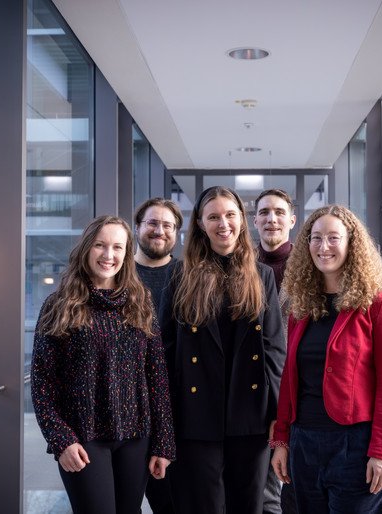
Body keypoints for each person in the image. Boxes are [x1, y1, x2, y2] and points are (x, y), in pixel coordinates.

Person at [31, 215, 176, 514]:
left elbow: (157, 376)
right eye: (100, 245)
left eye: (118, 247)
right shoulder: (58, 305)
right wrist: (61, 440)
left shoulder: (140, 301)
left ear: (127, 253)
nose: (109, 255)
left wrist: (163, 443)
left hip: (136, 437)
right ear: (86, 248)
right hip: (83, 438)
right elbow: (42, 382)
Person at [159, 186, 286, 514]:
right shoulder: (180, 275)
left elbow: (274, 349)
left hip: (251, 413)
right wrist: (166, 417)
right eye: (213, 216)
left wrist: (277, 414)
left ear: (242, 221)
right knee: (204, 505)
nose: (223, 223)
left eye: (230, 215)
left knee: (248, 505)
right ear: (201, 224)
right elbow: (166, 348)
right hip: (196, 414)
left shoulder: (262, 275)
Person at [270, 204, 382, 514]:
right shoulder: (302, 303)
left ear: (351, 243)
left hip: (355, 446)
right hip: (304, 443)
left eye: (333, 237)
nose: (323, 246)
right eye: (316, 238)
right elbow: (290, 377)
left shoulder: (378, 301)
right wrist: (282, 439)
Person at [133, 198, 183, 514]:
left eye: (167, 225)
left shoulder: (188, 276)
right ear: (137, 226)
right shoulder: (117, 272)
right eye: (152, 223)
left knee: (171, 502)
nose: (159, 230)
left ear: (176, 233)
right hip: (128, 405)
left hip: (176, 410)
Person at [252, 189, 297, 514]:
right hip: (257, 389)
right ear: (255, 221)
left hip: (302, 387)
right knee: (261, 483)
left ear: (291, 220)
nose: (272, 218)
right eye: (265, 212)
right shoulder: (242, 267)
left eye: (279, 212)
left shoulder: (313, 265)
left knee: (295, 481)